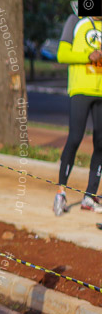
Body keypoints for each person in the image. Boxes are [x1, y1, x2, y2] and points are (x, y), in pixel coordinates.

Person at [54, 13, 102, 215]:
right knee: (75, 138)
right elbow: (62, 55)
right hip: (80, 89)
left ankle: (89, 197)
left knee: (101, 143)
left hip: (101, 92)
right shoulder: (75, 21)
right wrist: (88, 56)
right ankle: (60, 193)